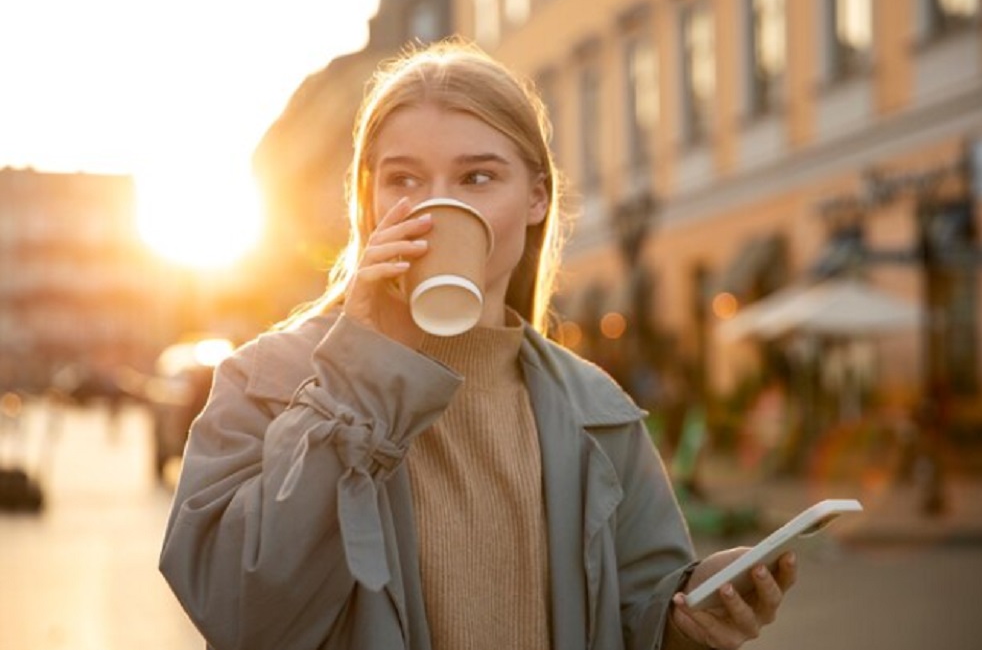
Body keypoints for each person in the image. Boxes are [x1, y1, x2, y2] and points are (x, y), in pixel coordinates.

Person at [159, 38, 796, 650]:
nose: (434, 207)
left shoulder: (594, 409)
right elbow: (244, 617)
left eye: (478, 177)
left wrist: (691, 620)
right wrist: (364, 371)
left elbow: (634, 615)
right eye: (404, 180)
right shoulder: (264, 381)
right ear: (368, 203)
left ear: (536, 198)